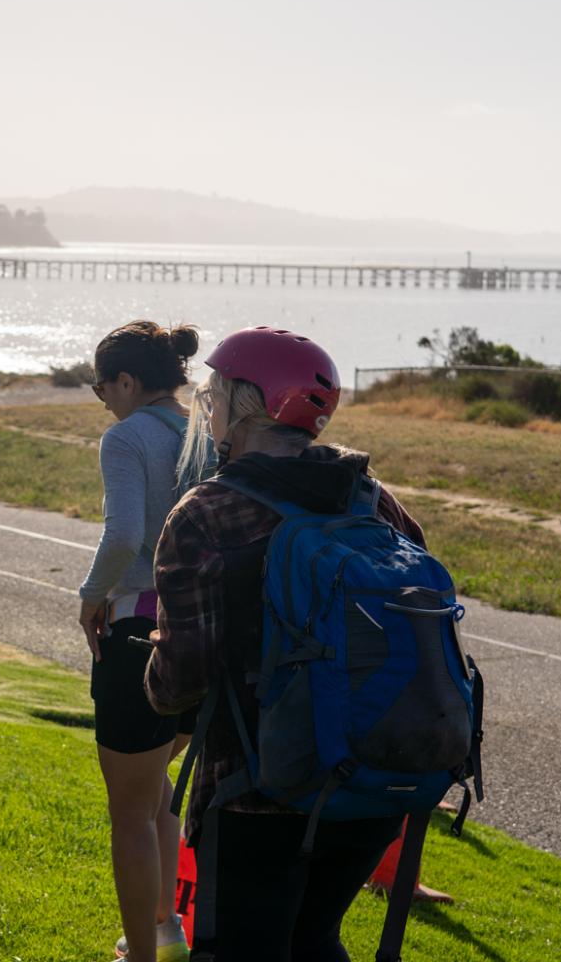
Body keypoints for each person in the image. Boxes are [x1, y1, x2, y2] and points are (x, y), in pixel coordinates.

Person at [145, 326, 430, 961]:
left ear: (249, 402)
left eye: (216, 394)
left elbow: (180, 680)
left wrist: (151, 671)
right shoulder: (370, 497)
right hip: (369, 779)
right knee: (314, 939)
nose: (208, 407)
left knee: (243, 950)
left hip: (256, 787)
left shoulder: (207, 512)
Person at [77, 322, 205, 962]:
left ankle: (146, 955)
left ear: (127, 381)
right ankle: (166, 931)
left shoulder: (126, 437)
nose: (102, 399)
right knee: (155, 788)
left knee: (128, 810)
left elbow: (125, 534)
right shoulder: (208, 435)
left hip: (138, 633)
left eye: (102, 387)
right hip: (203, 637)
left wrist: (90, 595)